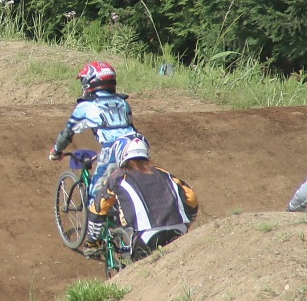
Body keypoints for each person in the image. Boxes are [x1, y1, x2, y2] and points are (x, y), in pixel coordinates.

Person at [83, 134, 199, 258]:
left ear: (120, 153)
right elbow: (191, 198)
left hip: (146, 233)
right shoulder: (164, 173)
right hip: (179, 226)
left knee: (141, 268)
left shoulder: (117, 177)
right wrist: (187, 220)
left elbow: (98, 208)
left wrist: (92, 242)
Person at [48, 61, 138, 205]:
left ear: (89, 83)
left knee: (95, 198)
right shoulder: (123, 103)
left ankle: (94, 226)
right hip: (137, 145)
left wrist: (56, 150)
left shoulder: (86, 106)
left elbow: (67, 133)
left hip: (113, 150)